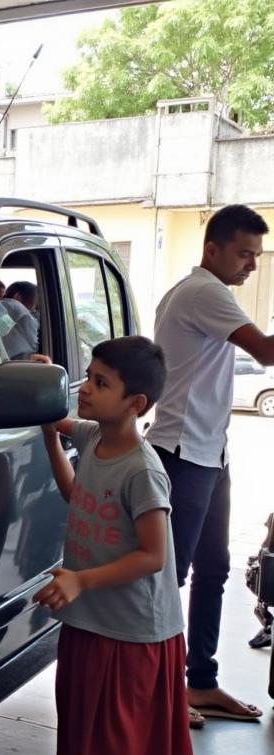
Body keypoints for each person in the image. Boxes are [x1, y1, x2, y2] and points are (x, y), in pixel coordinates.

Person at [32, 338, 193, 755]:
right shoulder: (91, 437)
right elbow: (74, 492)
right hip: (94, 612)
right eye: (87, 377)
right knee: (84, 704)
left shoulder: (143, 471)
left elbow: (153, 555)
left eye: (100, 383)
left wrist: (81, 579)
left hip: (132, 624)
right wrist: (45, 392)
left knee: (118, 721)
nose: (85, 390)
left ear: (135, 404)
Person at [150, 204, 274, 723]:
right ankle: (159, 693)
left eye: (256, 256)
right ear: (212, 250)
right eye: (244, 253)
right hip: (181, 453)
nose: (251, 265)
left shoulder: (207, 293)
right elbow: (267, 353)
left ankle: (199, 682)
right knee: (168, 578)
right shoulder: (204, 291)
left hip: (208, 452)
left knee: (215, 569)